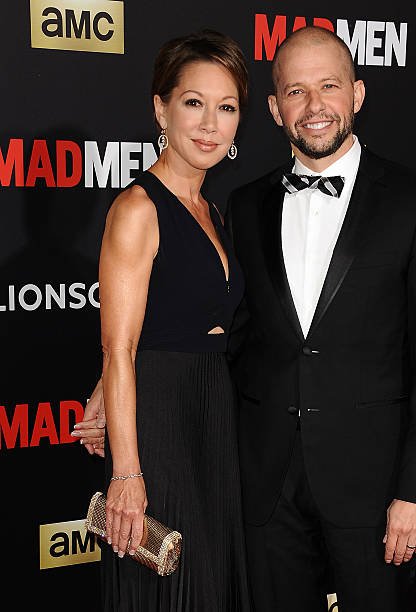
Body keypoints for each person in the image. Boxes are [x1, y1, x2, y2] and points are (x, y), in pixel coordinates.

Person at [76, 26, 416, 612]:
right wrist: (115, 393)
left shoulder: (415, 200)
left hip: (368, 487)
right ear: (277, 110)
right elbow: (154, 333)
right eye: (296, 92)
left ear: (357, 94)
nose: (314, 107)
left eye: (328, 86)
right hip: (256, 478)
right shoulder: (246, 204)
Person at [76, 29, 251, 612]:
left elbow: (170, 317)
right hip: (163, 427)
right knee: (170, 590)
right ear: (161, 107)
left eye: (225, 108)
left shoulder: (212, 210)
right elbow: (120, 350)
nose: (209, 123)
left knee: (211, 585)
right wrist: (127, 474)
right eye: (193, 102)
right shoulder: (137, 208)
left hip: (213, 418)